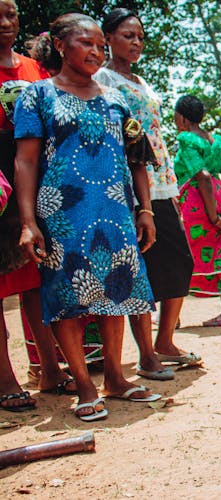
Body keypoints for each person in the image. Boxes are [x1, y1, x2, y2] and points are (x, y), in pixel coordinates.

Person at [14, 13, 161, 421]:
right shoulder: (37, 95)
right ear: (60, 46)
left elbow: (137, 158)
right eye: (86, 43)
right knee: (68, 298)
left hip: (115, 207)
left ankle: (115, 378)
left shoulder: (116, 98)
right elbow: (25, 162)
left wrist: (145, 210)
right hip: (62, 210)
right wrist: (28, 221)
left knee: (117, 291)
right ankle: (83, 385)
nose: (96, 51)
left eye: (100, 45)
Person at [95, 8, 199, 380]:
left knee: (180, 260)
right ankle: (145, 356)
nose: (136, 42)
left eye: (139, 36)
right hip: (124, 183)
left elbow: (153, 135)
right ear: (107, 38)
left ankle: (165, 341)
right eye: (127, 35)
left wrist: (169, 191)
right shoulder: (100, 78)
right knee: (139, 268)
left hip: (159, 180)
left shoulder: (141, 80)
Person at [1, 0, 85, 412]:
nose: (5, 23)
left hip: (32, 182)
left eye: (10, 14)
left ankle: (50, 368)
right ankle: (5, 378)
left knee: (38, 278)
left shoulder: (32, 70)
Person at [173, 95, 221, 326]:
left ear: (181, 117)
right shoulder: (215, 142)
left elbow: (203, 176)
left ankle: (173, 318)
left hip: (197, 202)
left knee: (182, 255)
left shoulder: (186, 140)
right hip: (218, 197)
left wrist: (212, 216)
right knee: (218, 252)